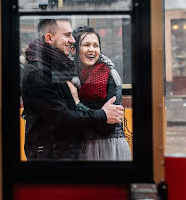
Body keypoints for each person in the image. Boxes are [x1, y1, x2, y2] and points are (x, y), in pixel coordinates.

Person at [21, 19, 124, 160]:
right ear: (49, 38)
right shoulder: (40, 72)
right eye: (67, 35)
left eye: (96, 45)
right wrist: (102, 114)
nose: (71, 40)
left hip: (70, 150)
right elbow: (62, 117)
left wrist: (80, 106)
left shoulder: (59, 67)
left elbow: (109, 124)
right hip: (50, 154)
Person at [70, 26, 131, 161]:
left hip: (108, 146)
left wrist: (78, 104)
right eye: (86, 45)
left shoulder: (110, 75)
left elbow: (109, 125)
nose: (92, 49)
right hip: (78, 147)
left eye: (95, 45)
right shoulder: (67, 77)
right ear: (73, 49)